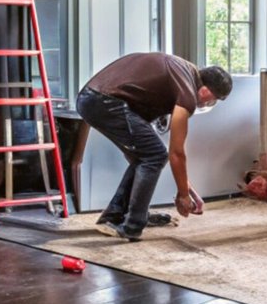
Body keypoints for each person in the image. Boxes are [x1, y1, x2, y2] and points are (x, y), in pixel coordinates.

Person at [76, 53, 232, 241]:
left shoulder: (185, 70)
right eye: (214, 99)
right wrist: (183, 195)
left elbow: (145, 157)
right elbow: (177, 153)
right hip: (104, 101)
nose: (209, 103)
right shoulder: (187, 94)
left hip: (94, 98)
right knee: (155, 155)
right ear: (207, 92)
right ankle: (133, 225)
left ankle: (115, 216)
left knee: (147, 156)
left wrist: (187, 187)